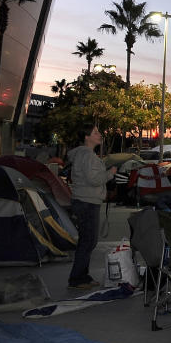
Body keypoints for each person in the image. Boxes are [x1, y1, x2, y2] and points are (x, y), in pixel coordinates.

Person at [67, 123, 117, 290]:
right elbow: (94, 179)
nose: (99, 134)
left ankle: (82, 276)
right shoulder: (87, 155)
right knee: (88, 241)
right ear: (86, 137)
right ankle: (77, 278)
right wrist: (111, 173)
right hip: (87, 202)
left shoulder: (83, 155)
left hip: (84, 200)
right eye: (95, 132)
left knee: (87, 241)